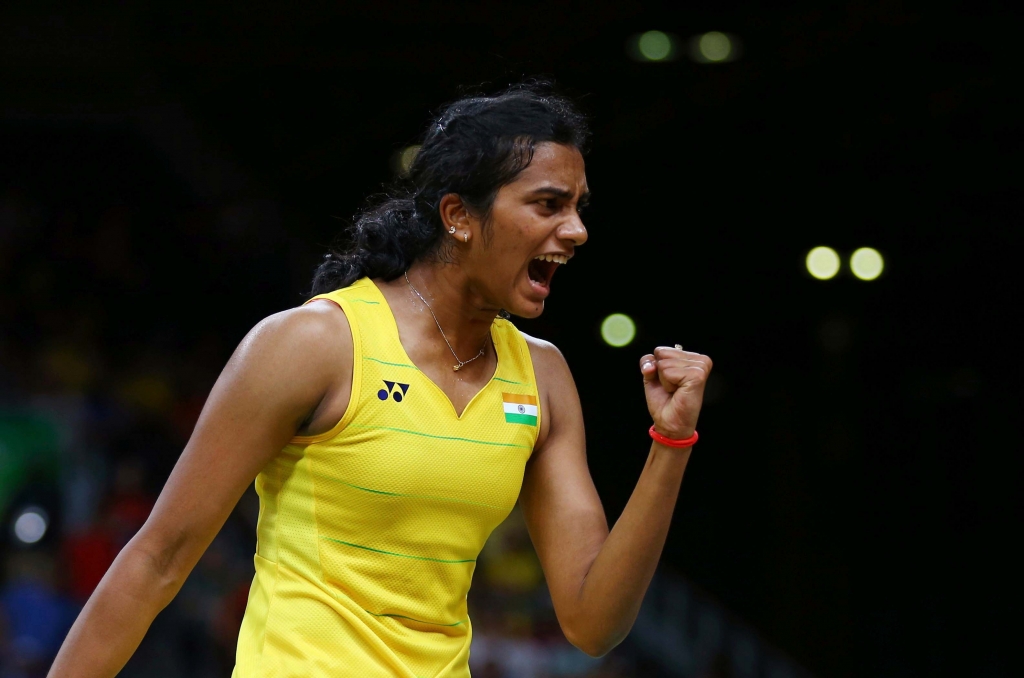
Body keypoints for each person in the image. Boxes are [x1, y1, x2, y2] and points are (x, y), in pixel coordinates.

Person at [47, 84, 713, 678]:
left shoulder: (542, 376)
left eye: (578, 207)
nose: (576, 230)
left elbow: (593, 622)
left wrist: (669, 444)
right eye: (548, 204)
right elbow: (158, 559)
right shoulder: (314, 344)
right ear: (458, 216)